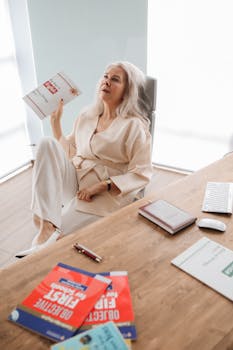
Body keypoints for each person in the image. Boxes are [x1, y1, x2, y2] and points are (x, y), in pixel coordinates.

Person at [16, 61, 153, 258]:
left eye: (115, 79)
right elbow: (70, 152)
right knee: (47, 143)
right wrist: (55, 125)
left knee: (59, 236)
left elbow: (142, 173)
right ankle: (46, 225)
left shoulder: (134, 126)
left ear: (127, 91)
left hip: (103, 194)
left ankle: (33, 256)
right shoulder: (87, 115)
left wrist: (102, 186)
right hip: (76, 180)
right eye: (105, 77)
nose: (106, 82)